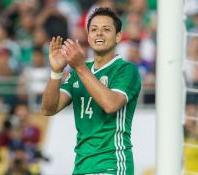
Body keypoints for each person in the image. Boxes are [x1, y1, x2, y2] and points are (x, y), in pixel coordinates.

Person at [42, 7, 141, 175]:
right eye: (94, 30)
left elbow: (110, 104)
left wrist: (79, 66)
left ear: (118, 36)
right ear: (88, 37)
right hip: (81, 166)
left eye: (106, 29)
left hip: (112, 164)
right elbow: (48, 109)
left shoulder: (126, 70)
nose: (99, 34)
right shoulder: (78, 71)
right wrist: (56, 72)